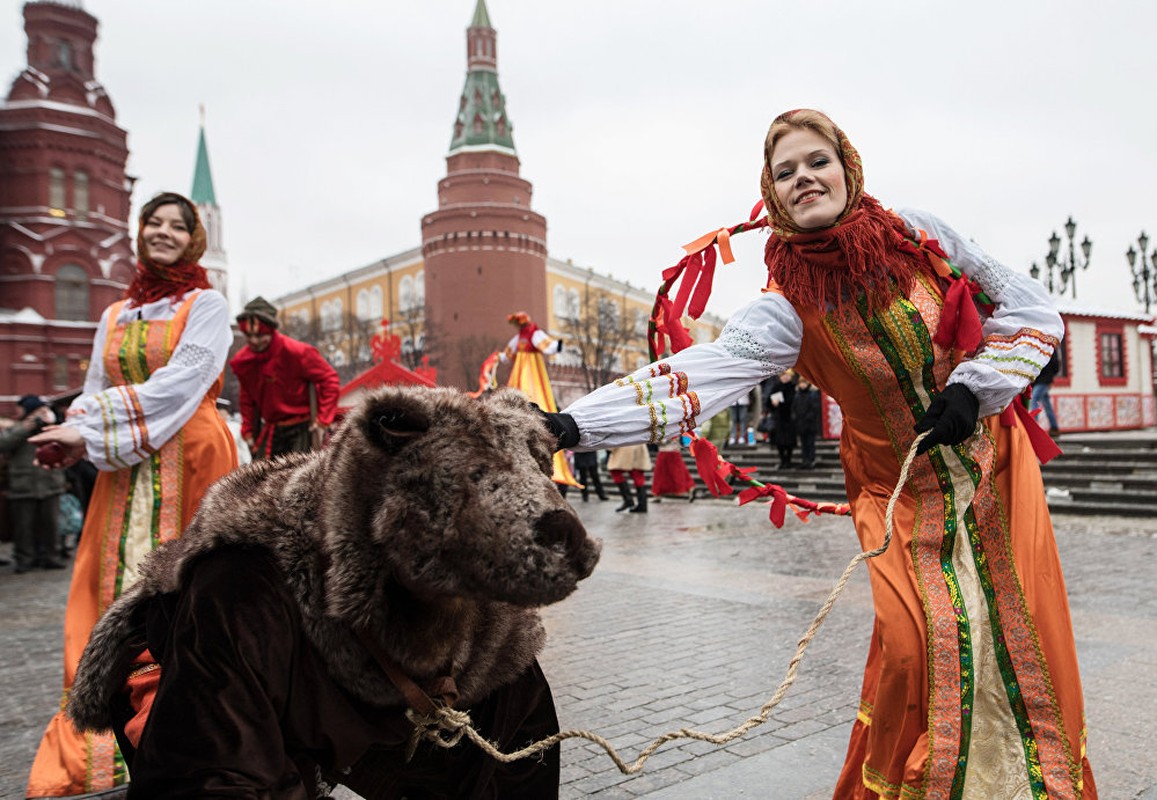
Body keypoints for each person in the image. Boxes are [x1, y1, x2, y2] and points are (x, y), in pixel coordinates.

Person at [543, 110, 1094, 797]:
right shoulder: (785, 307)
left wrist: (975, 388)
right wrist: (567, 426)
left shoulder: (919, 234)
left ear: (845, 166)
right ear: (771, 195)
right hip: (897, 499)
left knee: (1021, 641)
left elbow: (1029, 307)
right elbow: (699, 376)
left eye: (816, 162)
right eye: (785, 172)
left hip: (993, 470)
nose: (804, 178)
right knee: (917, 651)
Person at [25, 191, 238, 797]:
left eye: (178, 225)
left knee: (190, 586)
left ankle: (193, 724)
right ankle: (105, 736)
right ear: (139, 231)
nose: (164, 232)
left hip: (190, 455)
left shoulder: (207, 304)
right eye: (155, 223)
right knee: (107, 584)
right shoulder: (115, 314)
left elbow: (181, 383)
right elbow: (94, 386)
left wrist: (90, 427)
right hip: (125, 470)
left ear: (194, 238)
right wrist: (77, 437)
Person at [230, 296, 341, 459]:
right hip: (271, 429)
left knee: (300, 479)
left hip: (303, 429)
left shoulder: (297, 351)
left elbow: (329, 380)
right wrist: (247, 429)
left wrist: (323, 420)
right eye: (249, 336)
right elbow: (247, 397)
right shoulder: (244, 360)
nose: (254, 341)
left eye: (260, 336)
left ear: (271, 331)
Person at [499, 311, 581, 489]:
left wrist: (557, 345)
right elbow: (508, 353)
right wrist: (499, 358)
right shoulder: (519, 337)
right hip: (521, 367)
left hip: (531, 367)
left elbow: (546, 345)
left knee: (533, 393)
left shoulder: (533, 334)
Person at [0, 396, 67, 573]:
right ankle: (25, 559)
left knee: (51, 525)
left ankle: (51, 557)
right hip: (23, 485)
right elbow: (3, 444)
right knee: (24, 527)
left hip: (50, 482)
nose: (17, 412)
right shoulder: (17, 428)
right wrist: (24, 428)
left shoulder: (51, 427)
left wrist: (49, 420)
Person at [606, 443, 651, 513]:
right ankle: (642, 505)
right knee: (638, 476)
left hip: (624, 446)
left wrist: (610, 447)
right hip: (638, 445)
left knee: (615, 471)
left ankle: (628, 500)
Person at [766, 369, 797, 468]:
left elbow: (793, 402)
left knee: (789, 442)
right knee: (779, 442)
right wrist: (772, 403)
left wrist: (781, 402)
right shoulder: (776, 387)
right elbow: (768, 402)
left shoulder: (793, 387)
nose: (785, 377)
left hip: (789, 418)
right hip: (778, 418)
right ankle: (783, 460)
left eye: (787, 375)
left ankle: (788, 460)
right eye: (783, 375)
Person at [791, 377, 823, 469]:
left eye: (804, 383)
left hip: (809, 424)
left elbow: (815, 409)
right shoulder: (797, 395)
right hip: (800, 424)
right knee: (804, 444)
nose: (802, 385)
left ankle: (811, 460)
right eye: (801, 383)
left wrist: (807, 417)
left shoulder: (812, 395)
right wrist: (795, 417)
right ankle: (805, 460)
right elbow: (794, 408)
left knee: (810, 443)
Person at [1029, 349, 1061, 437]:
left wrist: (1050, 378)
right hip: (1039, 381)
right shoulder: (1037, 348)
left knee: (1035, 399)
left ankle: (1033, 426)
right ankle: (1054, 427)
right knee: (1046, 404)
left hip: (1044, 381)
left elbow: (1056, 366)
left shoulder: (1050, 348)